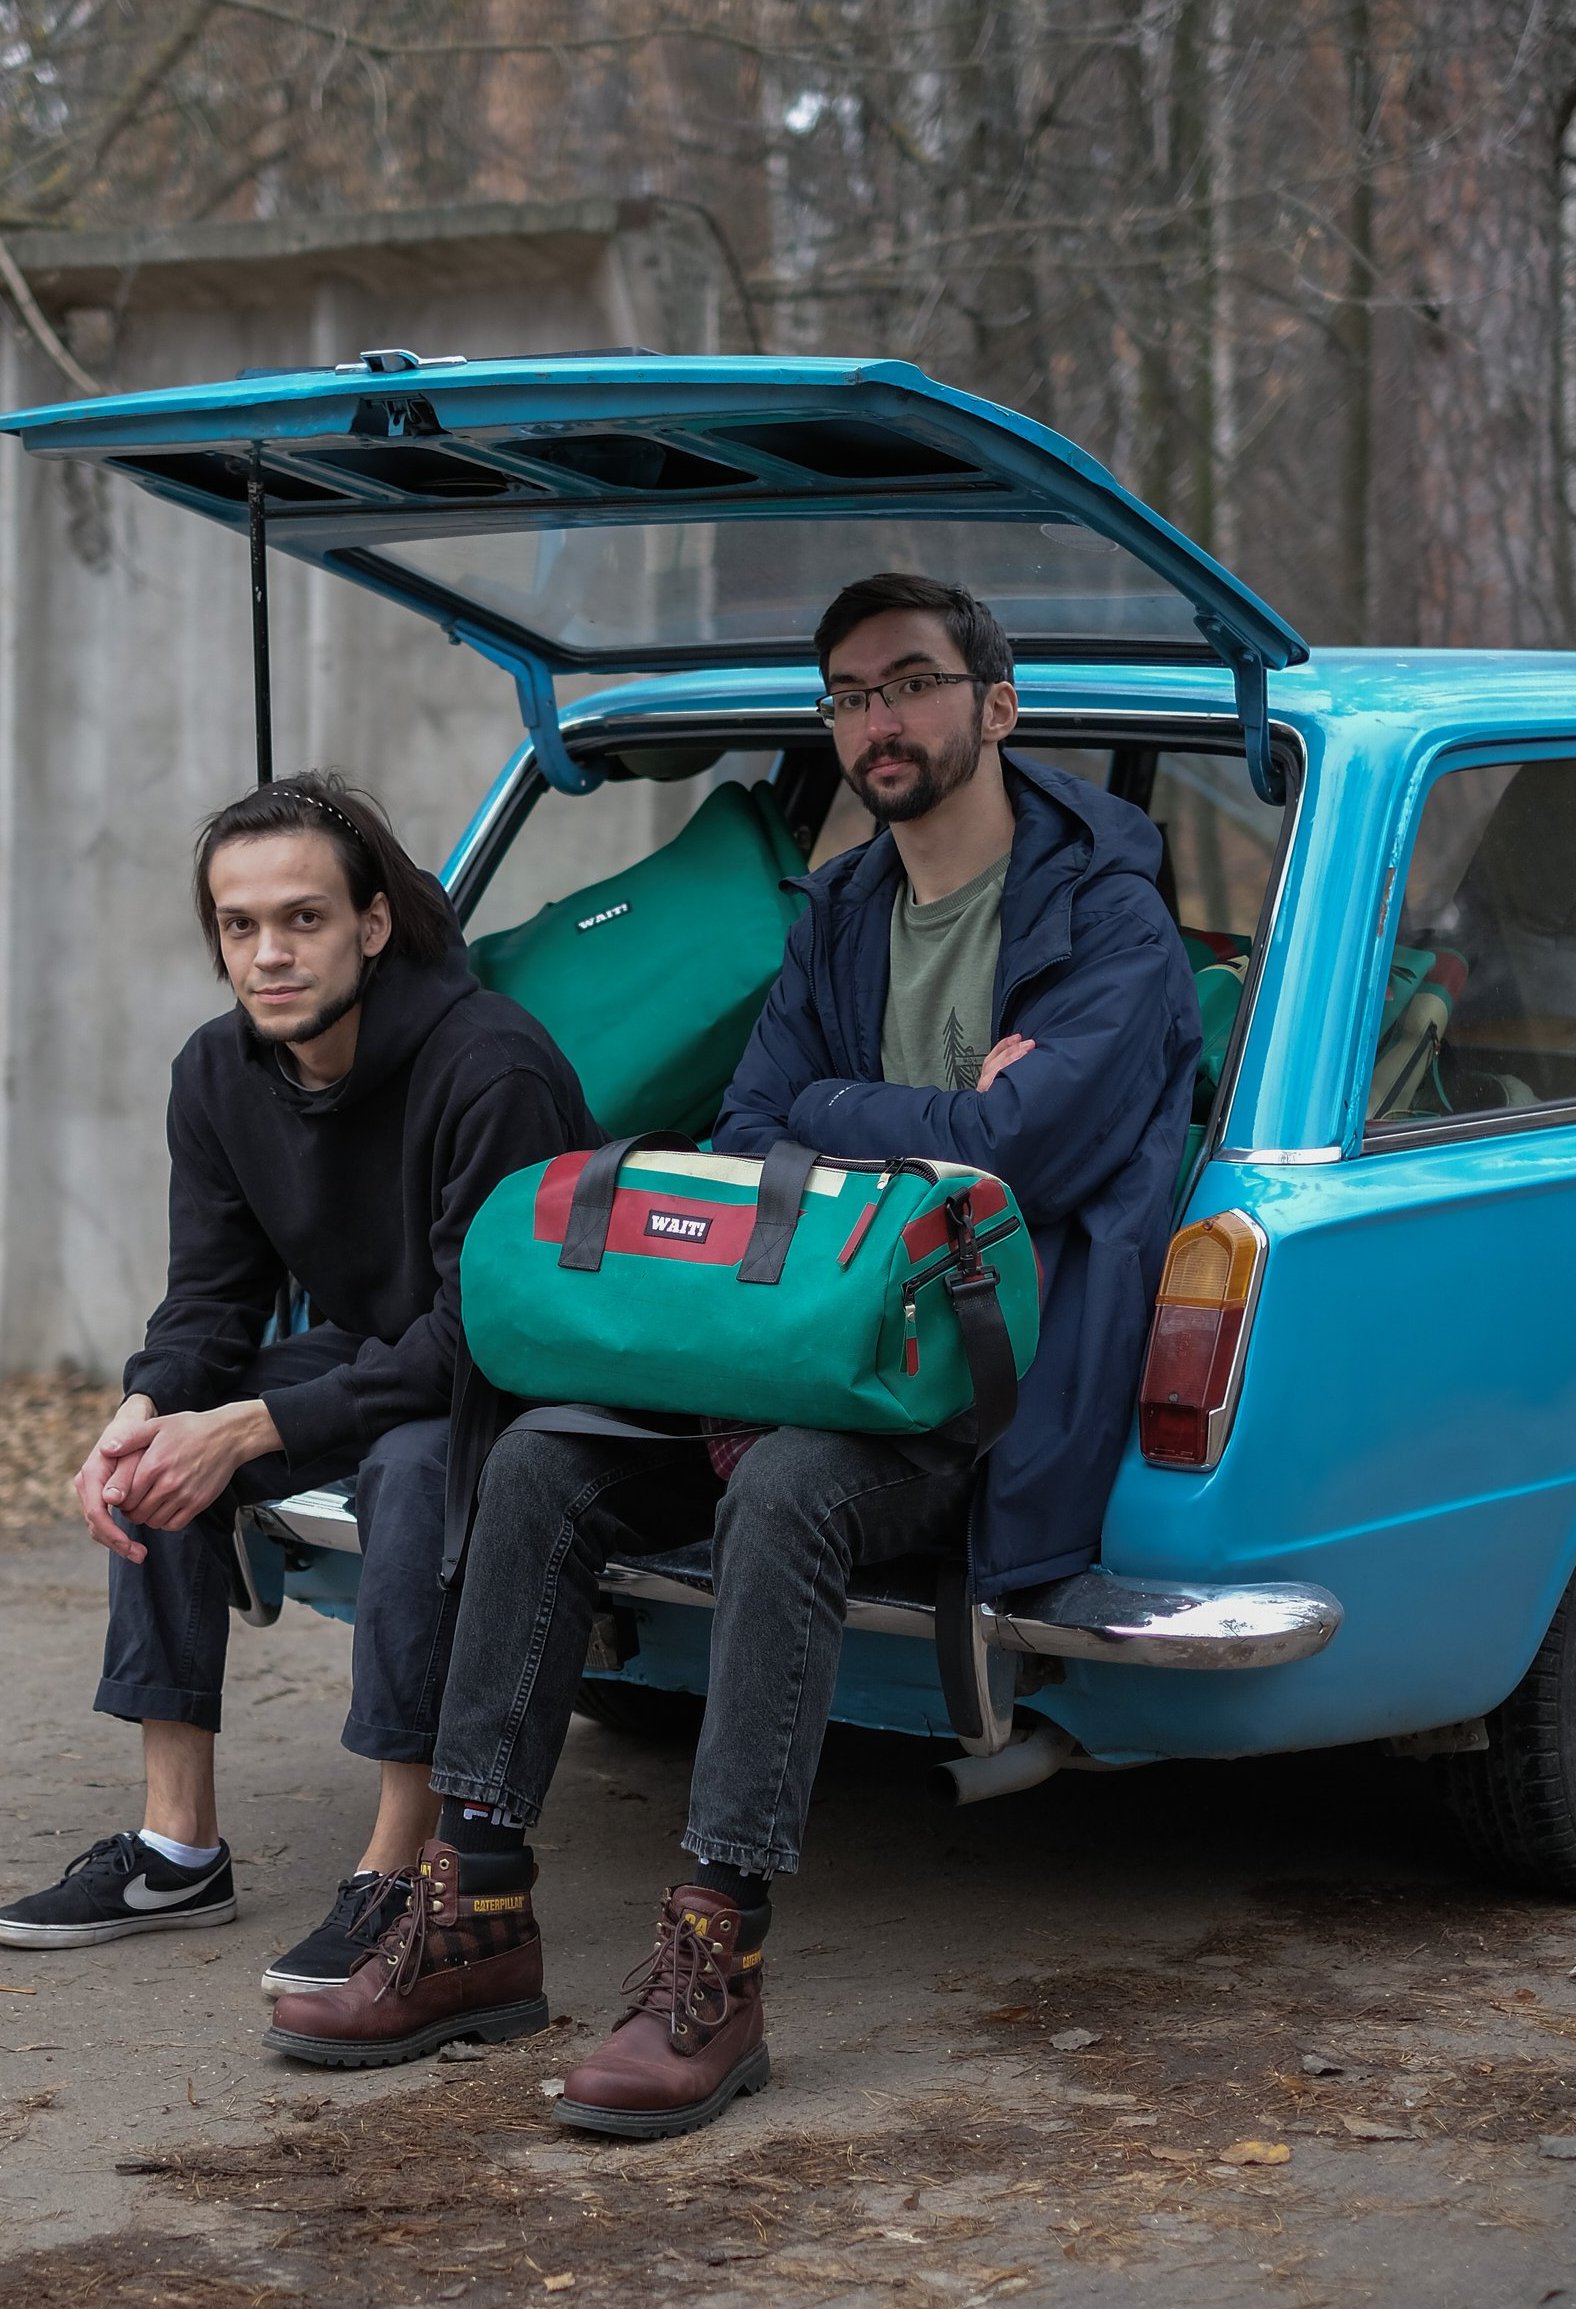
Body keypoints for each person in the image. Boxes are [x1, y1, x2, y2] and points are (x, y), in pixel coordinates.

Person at [260, 573, 1201, 2137]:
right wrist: (916, 1124)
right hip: (787, 1345)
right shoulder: (834, 915)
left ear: (998, 704)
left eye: (909, 683)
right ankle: (478, 1907)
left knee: (790, 1496)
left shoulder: (1113, 921)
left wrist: (874, 1122)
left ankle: (716, 1962)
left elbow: (1021, 1152)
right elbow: (763, 1127)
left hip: (972, 1376)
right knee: (552, 1455)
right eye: (848, 696)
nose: (877, 722)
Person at [0, 776, 595, 1996]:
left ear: (373, 923)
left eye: (303, 919)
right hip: (383, 1347)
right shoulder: (217, 1073)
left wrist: (258, 1421)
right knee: (161, 1457)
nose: (269, 953)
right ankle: (177, 1846)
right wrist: (145, 1409)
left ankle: (402, 1868)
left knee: (418, 1468)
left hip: (517, 1374)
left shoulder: (492, 1066)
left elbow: (480, 1338)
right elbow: (212, 1297)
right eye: (240, 925)